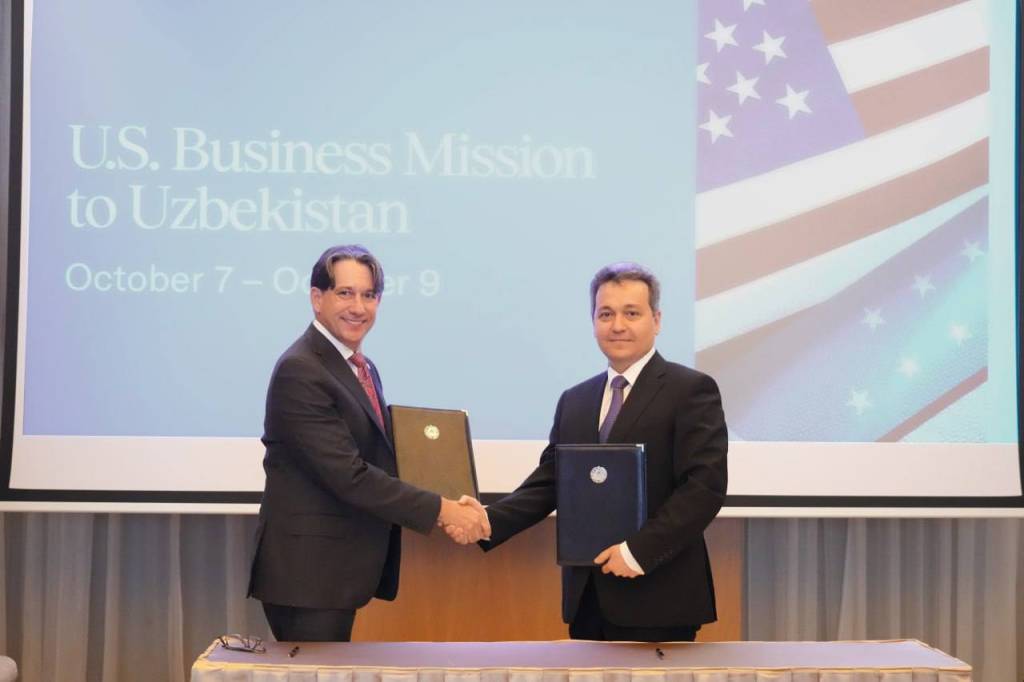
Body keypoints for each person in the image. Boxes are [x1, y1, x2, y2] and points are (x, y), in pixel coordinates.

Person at [470, 262, 727, 642]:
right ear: (593, 321)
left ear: (656, 320)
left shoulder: (690, 390)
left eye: (631, 313)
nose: (617, 325)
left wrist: (637, 552)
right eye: (606, 314)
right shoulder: (575, 399)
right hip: (587, 597)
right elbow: (551, 481)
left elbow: (703, 489)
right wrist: (487, 520)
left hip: (660, 596)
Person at [248, 244, 489, 642]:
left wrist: (448, 494)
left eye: (369, 295)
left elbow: (379, 456)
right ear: (317, 298)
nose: (358, 307)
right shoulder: (301, 370)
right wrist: (444, 509)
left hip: (333, 573)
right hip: (308, 578)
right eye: (345, 293)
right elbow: (350, 476)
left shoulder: (360, 367)